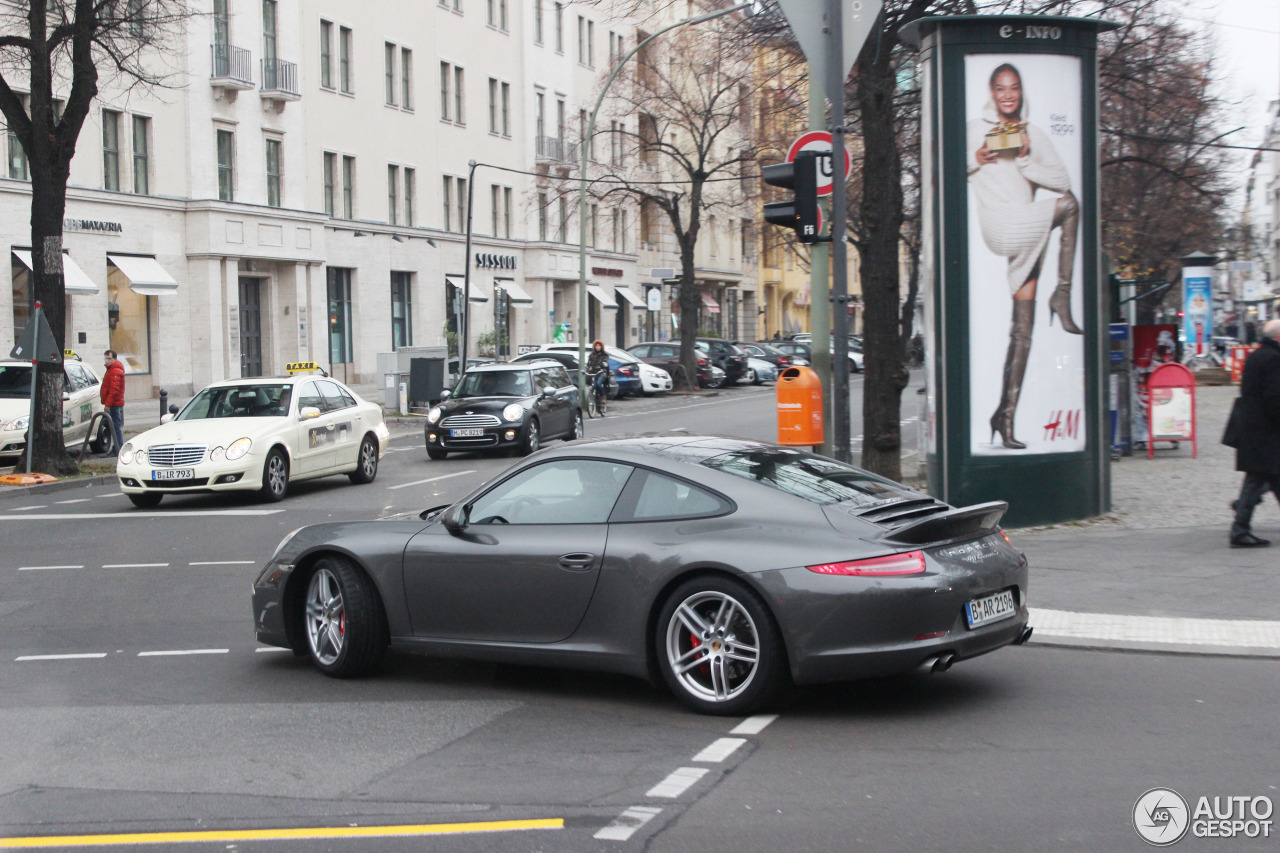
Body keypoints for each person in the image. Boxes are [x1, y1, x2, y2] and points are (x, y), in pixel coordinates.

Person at [968, 63, 1080, 449]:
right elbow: (947, 169)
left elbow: (1062, 179)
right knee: (1068, 207)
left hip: (1027, 232)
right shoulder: (973, 129)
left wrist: (1028, 157)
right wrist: (979, 157)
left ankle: (1005, 415)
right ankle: (1062, 292)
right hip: (1001, 227)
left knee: (1022, 333)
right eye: (1001, 88)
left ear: (1021, 91)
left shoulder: (1033, 134)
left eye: (1014, 87)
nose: (1008, 94)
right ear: (991, 91)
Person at [1228, 319, 1280, 548]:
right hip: (1266, 432)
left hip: (1255, 430)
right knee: (1256, 479)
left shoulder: (1256, 356)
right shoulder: (1274, 359)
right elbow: (1274, 398)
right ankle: (1239, 530)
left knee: (1265, 478)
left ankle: (1240, 524)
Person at [101, 350, 126, 453]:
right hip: (114, 403)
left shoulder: (115, 371)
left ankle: (117, 449)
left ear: (114, 359)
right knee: (115, 427)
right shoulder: (111, 370)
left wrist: (108, 404)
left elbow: (114, 390)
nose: (107, 360)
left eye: (109, 358)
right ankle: (117, 448)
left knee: (115, 427)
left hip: (114, 404)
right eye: (105, 358)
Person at [586, 340, 610, 415]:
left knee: (598, 384)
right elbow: (589, 364)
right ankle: (594, 401)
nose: (597, 347)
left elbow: (605, 363)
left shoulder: (604, 355)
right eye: (596, 346)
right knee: (593, 386)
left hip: (602, 373)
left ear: (601, 347)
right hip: (594, 373)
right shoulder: (591, 355)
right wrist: (587, 370)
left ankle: (602, 397)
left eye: (599, 346)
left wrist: (603, 367)